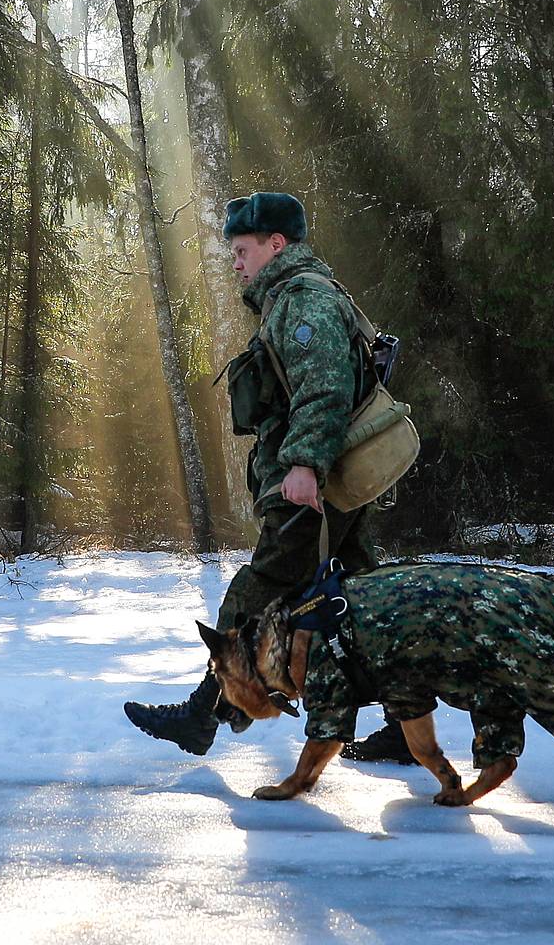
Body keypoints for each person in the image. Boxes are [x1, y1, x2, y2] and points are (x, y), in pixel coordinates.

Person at [124, 191, 382, 754]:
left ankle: (204, 714)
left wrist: (304, 465)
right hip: (332, 480)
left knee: (255, 592)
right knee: (368, 600)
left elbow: (325, 390)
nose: (235, 261)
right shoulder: (295, 297)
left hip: (315, 483)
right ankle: (410, 727)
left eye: (242, 249)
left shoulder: (304, 301)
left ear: (276, 244)